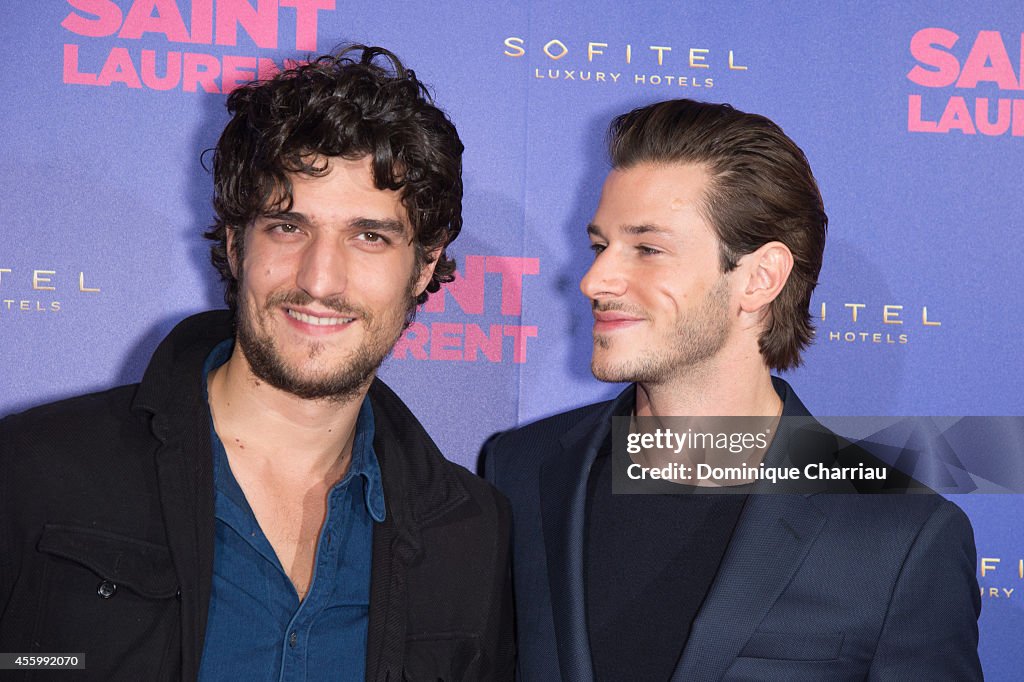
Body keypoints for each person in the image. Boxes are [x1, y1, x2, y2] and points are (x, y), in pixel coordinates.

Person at [0, 45, 512, 681]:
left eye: (369, 236)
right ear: (237, 244)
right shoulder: (33, 469)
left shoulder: (470, 534)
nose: (320, 279)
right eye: (287, 227)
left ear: (425, 266)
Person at [481, 99, 981, 681]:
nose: (595, 280)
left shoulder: (898, 536)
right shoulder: (521, 471)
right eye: (600, 246)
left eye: (647, 248)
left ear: (759, 278)